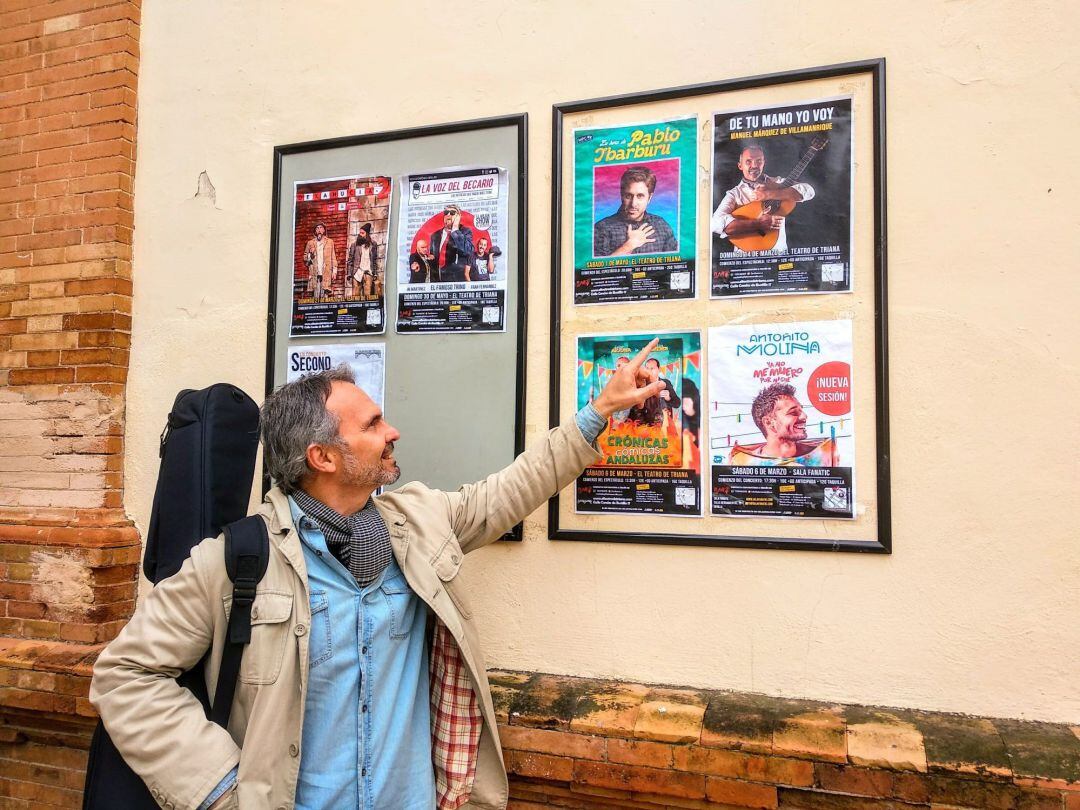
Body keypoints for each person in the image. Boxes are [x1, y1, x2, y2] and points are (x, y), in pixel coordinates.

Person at [90, 341, 666, 810]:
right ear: (323, 457)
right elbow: (124, 674)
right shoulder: (238, 559)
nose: (393, 432)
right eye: (373, 424)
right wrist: (221, 790)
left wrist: (599, 411)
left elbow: (509, 491)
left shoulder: (418, 523)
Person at [710, 144, 815, 253]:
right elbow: (714, 223)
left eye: (759, 161)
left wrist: (769, 194)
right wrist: (758, 224)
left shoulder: (777, 183)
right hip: (745, 256)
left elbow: (809, 191)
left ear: (764, 163)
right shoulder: (734, 194)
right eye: (748, 161)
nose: (754, 165)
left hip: (778, 252)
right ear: (740, 166)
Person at [728, 381, 837, 466]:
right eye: (793, 412)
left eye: (801, 411)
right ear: (769, 422)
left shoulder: (824, 454)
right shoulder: (742, 462)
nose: (804, 416)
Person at [592, 166, 677, 257]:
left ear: (649, 198)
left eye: (640, 196)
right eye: (628, 196)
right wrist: (628, 246)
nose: (633, 204)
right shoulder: (601, 228)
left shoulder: (661, 225)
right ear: (621, 195)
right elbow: (596, 265)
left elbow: (677, 261)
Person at [627, 356, 678, 428]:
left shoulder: (666, 383)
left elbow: (677, 404)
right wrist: (642, 426)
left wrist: (668, 398)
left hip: (663, 425)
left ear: (658, 369)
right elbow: (635, 409)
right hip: (644, 425)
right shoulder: (641, 383)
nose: (649, 371)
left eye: (652, 368)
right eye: (647, 368)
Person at [429, 204, 474, 283]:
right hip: (438, 280)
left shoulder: (465, 232)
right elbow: (433, 258)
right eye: (446, 212)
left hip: (456, 281)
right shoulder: (435, 235)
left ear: (458, 217)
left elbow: (468, 251)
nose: (448, 215)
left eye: (452, 213)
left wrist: (455, 230)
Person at [302, 222, 336, 302]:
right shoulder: (310, 243)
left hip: (326, 272)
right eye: (317, 228)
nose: (319, 230)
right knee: (315, 297)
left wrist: (334, 271)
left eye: (321, 228)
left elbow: (333, 257)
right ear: (315, 231)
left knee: (325, 296)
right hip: (315, 273)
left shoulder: (330, 242)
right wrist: (310, 254)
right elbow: (305, 257)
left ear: (324, 230)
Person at [346, 223, 379, 299]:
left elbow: (374, 260)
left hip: (368, 273)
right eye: (360, 233)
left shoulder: (373, 244)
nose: (360, 235)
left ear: (367, 234)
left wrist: (375, 273)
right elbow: (350, 260)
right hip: (357, 273)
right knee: (355, 297)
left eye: (362, 233)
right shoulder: (354, 245)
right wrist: (349, 274)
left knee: (368, 297)